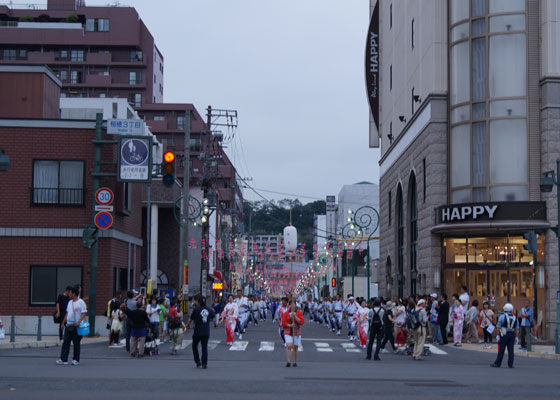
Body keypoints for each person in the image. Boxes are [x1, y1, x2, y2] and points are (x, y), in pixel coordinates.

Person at [56, 286, 87, 365]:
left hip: (76, 326)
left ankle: (75, 359)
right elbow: (67, 313)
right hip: (68, 325)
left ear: (73, 293)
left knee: (76, 343)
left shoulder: (81, 302)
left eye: (70, 293)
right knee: (66, 342)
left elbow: (84, 313)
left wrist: (79, 322)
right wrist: (63, 323)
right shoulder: (70, 302)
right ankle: (63, 359)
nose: (69, 294)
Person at [186, 294, 215, 369]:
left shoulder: (196, 309)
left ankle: (198, 361)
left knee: (194, 346)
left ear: (198, 302)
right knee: (204, 347)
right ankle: (204, 363)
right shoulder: (208, 309)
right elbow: (213, 315)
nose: (195, 302)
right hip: (206, 331)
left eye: (196, 301)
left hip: (197, 331)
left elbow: (190, 319)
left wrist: (187, 325)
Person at [491, 303, 519, 368]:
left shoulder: (502, 316)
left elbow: (498, 326)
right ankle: (510, 364)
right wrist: (516, 337)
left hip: (504, 334)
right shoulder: (515, 318)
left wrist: (497, 335)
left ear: (505, 309)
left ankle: (498, 363)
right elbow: (517, 329)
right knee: (511, 350)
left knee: (501, 349)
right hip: (512, 334)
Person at [282, 300, 305, 367]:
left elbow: (301, 322)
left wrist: (295, 316)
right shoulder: (286, 313)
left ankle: (294, 361)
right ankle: (288, 361)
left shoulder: (299, 313)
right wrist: (289, 325)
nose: (292, 306)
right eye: (291, 304)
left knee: (295, 347)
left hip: (296, 331)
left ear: (295, 305)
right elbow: (283, 323)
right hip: (288, 331)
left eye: (293, 304)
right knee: (289, 345)